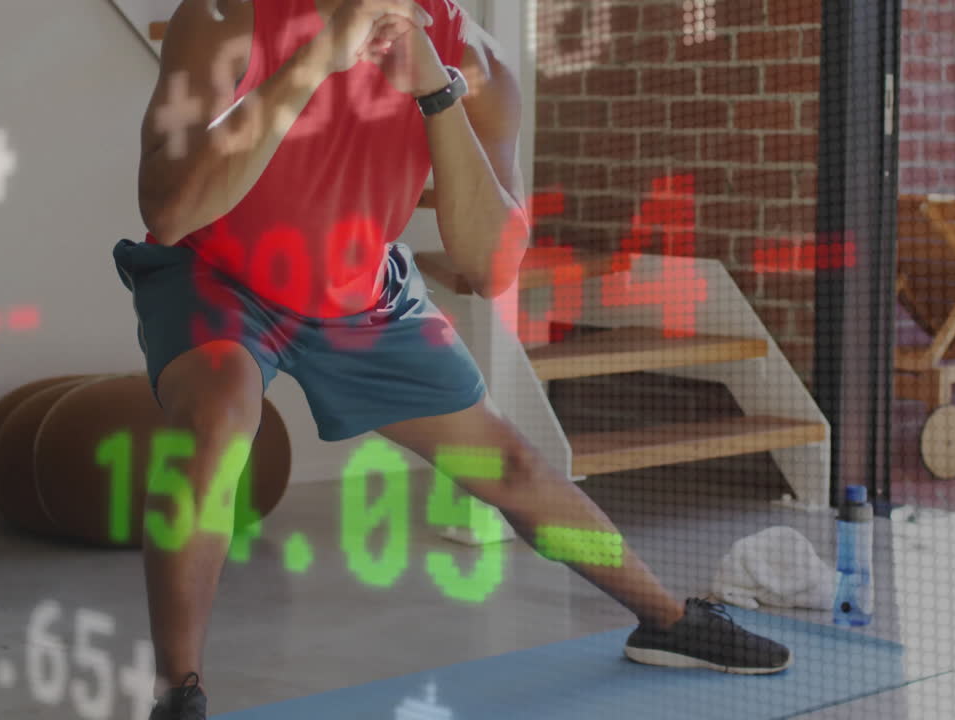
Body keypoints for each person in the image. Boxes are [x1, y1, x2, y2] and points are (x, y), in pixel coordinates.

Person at [116, 1, 791, 718]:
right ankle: (178, 692)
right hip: (217, 274)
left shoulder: (482, 68)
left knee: (510, 466)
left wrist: (437, 92)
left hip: (359, 289)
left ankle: (669, 622)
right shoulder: (223, 16)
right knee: (219, 416)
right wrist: (314, 59)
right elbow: (170, 209)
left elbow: (490, 267)